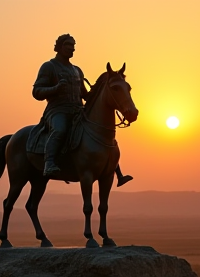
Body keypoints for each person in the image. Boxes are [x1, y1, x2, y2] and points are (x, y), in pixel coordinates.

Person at [32, 34, 133, 186]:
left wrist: (100, 90)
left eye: (73, 45)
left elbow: (84, 94)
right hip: (57, 110)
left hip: (78, 111)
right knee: (59, 130)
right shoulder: (49, 66)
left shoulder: (76, 70)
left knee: (101, 135)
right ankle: (49, 163)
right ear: (59, 47)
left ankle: (116, 171)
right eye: (68, 45)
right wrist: (56, 88)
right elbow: (37, 92)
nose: (72, 48)